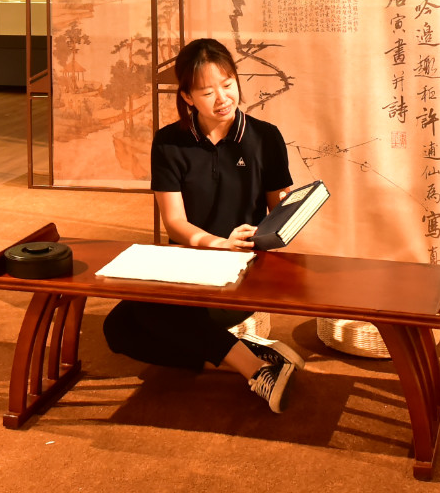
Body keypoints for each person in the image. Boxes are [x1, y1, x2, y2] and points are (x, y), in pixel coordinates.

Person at [102, 36, 303, 412]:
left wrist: (283, 218)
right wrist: (217, 243)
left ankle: (254, 371)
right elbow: (175, 222)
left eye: (228, 85)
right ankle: (250, 357)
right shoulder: (169, 143)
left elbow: (280, 218)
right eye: (208, 92)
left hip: (244, 269)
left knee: (147, 312)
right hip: (189, 265)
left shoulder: (265, 137)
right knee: (118, 330)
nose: (222, 98)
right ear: (188, 97)